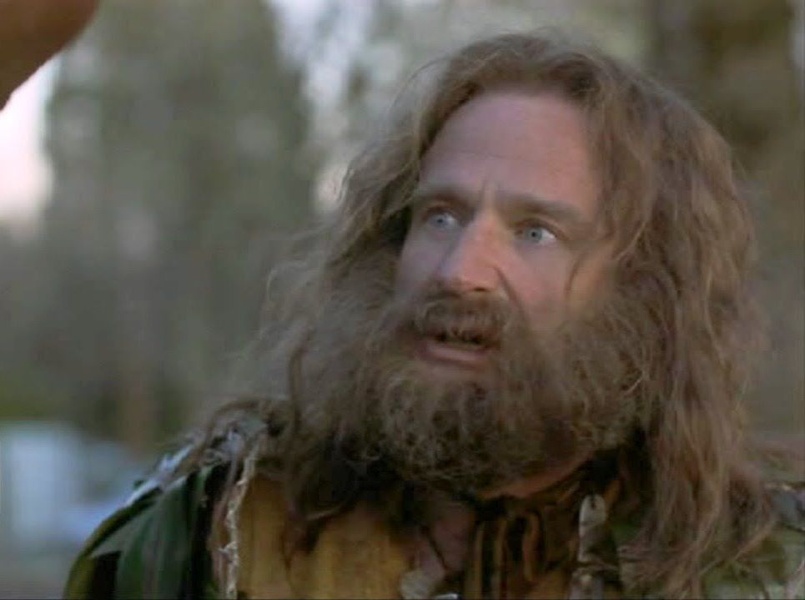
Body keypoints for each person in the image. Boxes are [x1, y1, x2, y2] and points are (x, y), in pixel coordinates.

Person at [60, 30, 805, 599]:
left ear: (643, 291)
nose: (457, 272)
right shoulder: (207, 535)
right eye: (441, 216)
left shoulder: (761, 572)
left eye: (534, 233)